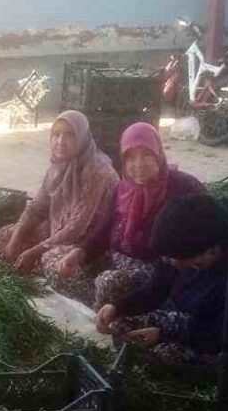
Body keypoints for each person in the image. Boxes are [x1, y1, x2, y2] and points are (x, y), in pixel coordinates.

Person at [56, 122, 203, 308]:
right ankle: (106, 305)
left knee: (107, 284)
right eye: (131, 157)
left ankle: (118, 307)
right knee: (58, 261)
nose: (139, 164)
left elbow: (197, 243)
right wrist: (81, 251)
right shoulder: (122, 188)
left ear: (158, 154)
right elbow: (104, 228)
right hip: (118, 257)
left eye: (146, 154)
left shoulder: (182, 188)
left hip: (157, 269)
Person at [95, 193, 228, 365]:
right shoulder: (178, 256)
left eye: (181, 259)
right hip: (183, 319)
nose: (173, 263)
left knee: (167, 354)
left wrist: (162, 335)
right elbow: (153, 292)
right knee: (121, 324)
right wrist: (116, 307)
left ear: (212, 249)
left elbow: (221, 337)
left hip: (209, 337)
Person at [0, 111, 119, 277]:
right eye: (56, 134)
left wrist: (34, 251)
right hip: (57, 228)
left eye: (70, 135)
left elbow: (76, 228)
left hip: (87, 240)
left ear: (83, 138)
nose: (61, 141)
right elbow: (36, 208)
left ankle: (46, 266)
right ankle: (31, 261)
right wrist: (16, 239)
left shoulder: (97, 171)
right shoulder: (58, 165)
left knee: (55, 264)